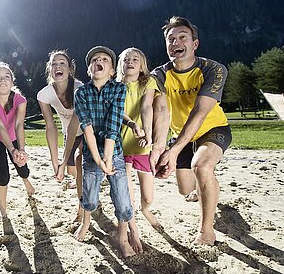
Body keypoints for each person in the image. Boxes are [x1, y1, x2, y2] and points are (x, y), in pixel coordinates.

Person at [152, 16, 232, 246]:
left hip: (212, 129)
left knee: (202, 166)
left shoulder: (213, 69)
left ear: (194, 44)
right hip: (181, 136)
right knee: (185, 189)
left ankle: (207, 231)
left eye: (182, 37)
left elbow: (199, 112)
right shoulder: (160, 75)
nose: (176, 42)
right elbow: (157, 110)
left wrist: (173, 151)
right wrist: (159, 145)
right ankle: (205, 186)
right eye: (171, 39)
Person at [74, 46, 142, 257]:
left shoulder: (119, 89)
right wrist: (98, 158)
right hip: (91, 154)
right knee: (90, 199)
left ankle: (122, 237)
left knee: (122, 199)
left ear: (112, 70)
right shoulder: (81, 92)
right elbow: (86, 128)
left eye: (104, 59)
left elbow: (113, 125)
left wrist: (109, 158)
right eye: (94, 60)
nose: (99, 61)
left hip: (116, 153)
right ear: (89, 69)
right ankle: (86, 222)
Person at [116, 47, 169, 232]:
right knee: (127, 193)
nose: (130, 62)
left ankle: (146, 211)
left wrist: (147, 134)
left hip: (142, 145)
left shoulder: (149, 82)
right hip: (121, 145)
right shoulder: (114, 87)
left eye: (135, 59)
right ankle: (132, 226)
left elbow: (147, 107)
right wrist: (131, 125)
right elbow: (118, 111)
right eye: (126, 59)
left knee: (148, 197)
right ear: (119, 66)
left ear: (141, 66)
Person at [37, 50, 85, 221]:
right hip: (68, 134)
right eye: (54, 64)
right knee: (72, 172)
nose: (58, 66)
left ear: (70, 69)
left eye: (62, 63)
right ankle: (81, 182)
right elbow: (50, 127)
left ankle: (82, 209)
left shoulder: (80, 89)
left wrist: (63, 161)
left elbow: (75, 125)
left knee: (79, 164)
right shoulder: (44, 95)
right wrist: (55, 162)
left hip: (87, 132)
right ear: (50, 69)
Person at [0, 62, 35, 218]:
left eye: (7, 76)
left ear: (12, 82)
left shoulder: (20, 100)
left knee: (22, 167)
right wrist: (12, 150)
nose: (3, 80)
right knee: (3, 175)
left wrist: (21, 150)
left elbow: (19, 124)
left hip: (14, 136)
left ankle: (26, 182)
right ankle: (3, 207)